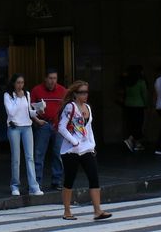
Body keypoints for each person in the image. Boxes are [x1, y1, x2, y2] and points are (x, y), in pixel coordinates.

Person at [57, 81, 111, 221]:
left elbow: (89, 129)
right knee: (69, 179)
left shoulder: (87, 107)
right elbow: (61, 127)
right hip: (71, 151)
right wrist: (74, 142)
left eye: (86, 92)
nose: (85, 95)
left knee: (94, 178)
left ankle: (97, 211)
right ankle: (67, 211)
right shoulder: (70, 107)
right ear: (75, 94)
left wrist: (92, 145)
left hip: (86, 149)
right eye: (82, 92)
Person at [3, 74, 44, 197]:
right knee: (16, 158)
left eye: (22, 82)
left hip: (27, 126)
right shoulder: (8, 95)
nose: (20, 85)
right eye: (18, 83)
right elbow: (11, 112)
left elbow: (27, 111)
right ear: (13, 84)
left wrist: (37, 111)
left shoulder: (27, 94)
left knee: (29, 157)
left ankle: (34, 186)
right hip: (14, 127)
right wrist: (19, 99)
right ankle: (15, 185)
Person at [31, 68, 66, 190]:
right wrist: (36, 119)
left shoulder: (62, 90)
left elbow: (67, 109)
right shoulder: (36, 90)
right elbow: (29, 109)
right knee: (39, 153)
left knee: (58, 153)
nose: (52, 81)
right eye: (50, 78)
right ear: (45, 78)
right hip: (43, 124)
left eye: (55, 78)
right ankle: (37, 182)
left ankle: (56, 181)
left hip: (58, 125)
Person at [120, 65, 147, 152]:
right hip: (139, 106)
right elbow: (144, 95)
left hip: (128, 105)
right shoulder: (141, 82)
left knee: (131, 124)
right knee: (138, 125)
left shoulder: (127, 82)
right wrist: (146, 104)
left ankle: (135, 143)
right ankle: (132, 140)